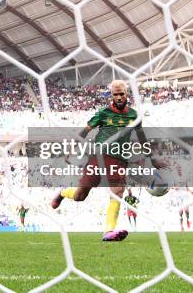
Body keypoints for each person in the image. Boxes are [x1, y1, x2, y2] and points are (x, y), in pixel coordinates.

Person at [50, 80, 164, 242]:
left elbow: (142, 138)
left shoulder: (134, 116)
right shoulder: (103, 113)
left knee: (117, 194)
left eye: (121, 94)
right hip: (99, 157)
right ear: (111, 95)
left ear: (126, 94)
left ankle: (109, 231)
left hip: (119, 160)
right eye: (115, 94)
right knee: (80, 196)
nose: (118, 97)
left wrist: (152, 159)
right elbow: (85, 130)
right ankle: (63, 192)